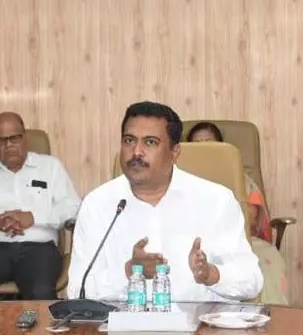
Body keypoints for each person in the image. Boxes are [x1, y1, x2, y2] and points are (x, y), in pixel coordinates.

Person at [66, 101, 263, 303]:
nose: (136, 152)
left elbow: (252, 280)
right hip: (124, 329)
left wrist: (211, 275)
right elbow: (76, 290)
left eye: (150, 142)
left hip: (200, 328)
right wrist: (128, 272)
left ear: (174, 152)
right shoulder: (97, 204)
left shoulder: (215, 201)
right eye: (129, 140)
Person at [0, 112, 81, 300]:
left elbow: (73, 207)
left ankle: (38, 331)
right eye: (2, 140)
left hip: (38, 249)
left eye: (14, 138)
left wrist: (33, 218)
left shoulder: (50, 167)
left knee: (41, 291)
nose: (9, 145)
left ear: (24, 138)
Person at [186, 121, 274, 243]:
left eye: (209, 143)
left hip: (239, 241)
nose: (203, 150)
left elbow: (254, 221)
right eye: (197, 145)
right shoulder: (180, 179)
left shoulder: (241, 179)